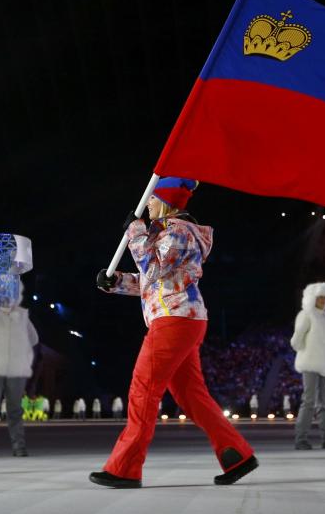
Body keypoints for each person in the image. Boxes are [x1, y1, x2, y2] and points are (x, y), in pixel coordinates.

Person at [90, 177, 257, 488]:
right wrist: (117, 283)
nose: (148, 205)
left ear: (165, 201)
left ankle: (125, 468)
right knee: (191, 396)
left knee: (143, 390)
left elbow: (153, 268)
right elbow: (153, 280)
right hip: (180, 318)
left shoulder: (179, 231)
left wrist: (135, 231)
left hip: (175, 320)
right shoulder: (169, 233)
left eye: (152, 199)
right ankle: (236, 453)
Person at [0, 289, 38, 458]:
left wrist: (20, 349)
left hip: (15, 368)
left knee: (14, 409)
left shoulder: (21, 316)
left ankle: (19, 447)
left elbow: (34, 338)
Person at [289, 281, 325, 448]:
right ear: (313, 298)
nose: (323, 300)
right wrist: (307, 351)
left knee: (324, 403)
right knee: (309, 401)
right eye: (320, 297)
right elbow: (296, 340)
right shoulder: (307, 314)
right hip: (311, 364)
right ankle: (301, 439)